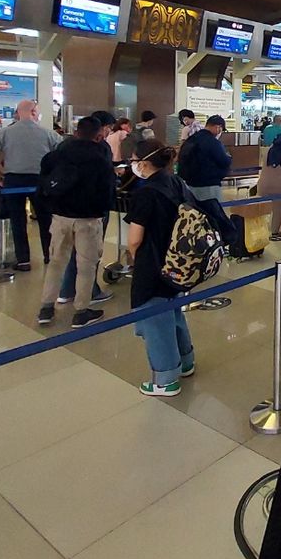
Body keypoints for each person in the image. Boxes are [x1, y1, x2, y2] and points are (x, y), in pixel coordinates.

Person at [119, 139, 196, 396]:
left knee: (154, 318)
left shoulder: (146, 192)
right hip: (177, 261)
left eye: (133, 159)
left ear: (143, 162)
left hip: (152, 262)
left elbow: (134, 239)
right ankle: (186, 361)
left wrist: (133, 256)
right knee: (173, 311)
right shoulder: (175, 182)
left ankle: (165, 379)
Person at [37, 117, 116, 328]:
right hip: (88, 220)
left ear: (76, 131)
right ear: (98, 135)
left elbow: (44, 184)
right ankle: (81, 310)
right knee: (86, 266)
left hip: (60, 218)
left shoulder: (56, 155)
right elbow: (108, 193)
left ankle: (46, 308)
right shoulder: (100, 159)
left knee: (55, 262)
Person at [0, 99, 62, 270]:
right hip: (41, 181)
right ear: (34, 112)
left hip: (13, 181)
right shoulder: (49, 134)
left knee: (17, 221)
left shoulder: (4, 133)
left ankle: (23, 260)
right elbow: (62, 156)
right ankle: (50, 256)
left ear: (17, 113)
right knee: (46, 220)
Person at [177, 115, 232, 202]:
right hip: (209, 186)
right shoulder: (213, 142)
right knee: (213, 213)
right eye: (221, 129)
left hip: (190, 185)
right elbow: (224, 161)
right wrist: (229, 157)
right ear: (218, 127)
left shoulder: (191, 139)